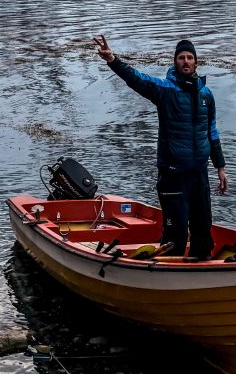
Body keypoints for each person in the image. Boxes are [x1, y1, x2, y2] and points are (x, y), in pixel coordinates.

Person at [92, 34, 228, 260]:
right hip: (173, 174)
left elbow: (211, 132)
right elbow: (137, 79)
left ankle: (201, 273)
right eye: (181, 57)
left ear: (196, 62)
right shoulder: (165, 90)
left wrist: (220, 167)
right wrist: (113, 60)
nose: (186, 61)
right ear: (175, 62)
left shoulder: (206, 95)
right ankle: (168, 281)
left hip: (199, 173)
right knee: (176, 237)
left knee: (203, 232)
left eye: (190, 57)